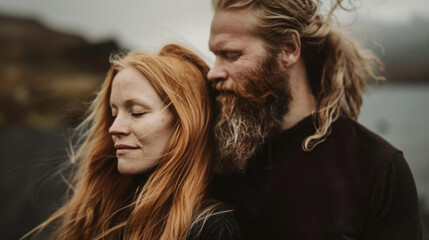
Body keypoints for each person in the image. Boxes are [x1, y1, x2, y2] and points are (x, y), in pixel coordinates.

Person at [207, 0, 422, 239]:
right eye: (215, 55)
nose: (213, 72)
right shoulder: (218, 159)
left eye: (231, 55)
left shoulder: (379, 168)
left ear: (288, 48)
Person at [22, 44, 241, 240]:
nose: (114, 128)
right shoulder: (105, 216)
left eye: (136, 112)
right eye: (114, 113)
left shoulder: (210, 229)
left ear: (186, 124)